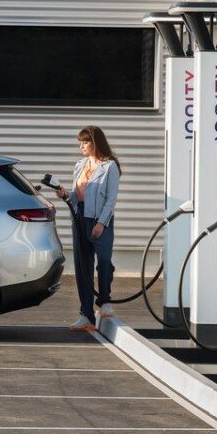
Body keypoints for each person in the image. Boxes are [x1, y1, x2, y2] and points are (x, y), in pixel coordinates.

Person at [55, 126, 121, 331]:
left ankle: (104, 300)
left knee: (103, 261)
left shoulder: (110, 167)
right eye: (80, 142)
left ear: (95, 142)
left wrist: (101, 223)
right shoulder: (80, 165)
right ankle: (86, 314)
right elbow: (77, 195)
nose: (81, 146)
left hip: (100, 220)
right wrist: (66, 195)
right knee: (83, 267)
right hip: (79, 218)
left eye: (85, 142)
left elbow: (111, 199)